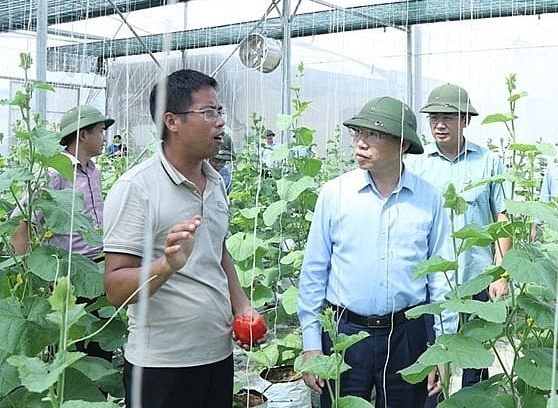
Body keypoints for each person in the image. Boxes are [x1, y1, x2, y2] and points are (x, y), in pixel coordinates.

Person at [102, 69, 258, 407]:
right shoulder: (137, 189)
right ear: (172, 121)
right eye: (209, 112)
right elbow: (115, 289)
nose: (220, 122)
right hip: (162, 366)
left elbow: (218, 251)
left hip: (217, 355)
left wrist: (241, 304)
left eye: (220, 111)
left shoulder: (215, 182)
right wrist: (166, 264)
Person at [297, 96, 457, 408]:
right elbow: (314, 271)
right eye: (358, 133)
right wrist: (312, 343)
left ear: (403, 145)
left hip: (408, 336)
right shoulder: (336, 194)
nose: (360, 143)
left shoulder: (428, 198)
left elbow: (441, 278)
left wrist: (442, 348)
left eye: (374, 135)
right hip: (345, 335)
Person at [407, 83, 511, 390]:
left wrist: (501, 274)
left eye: (449, 117)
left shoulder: (488, 162)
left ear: (466, 120)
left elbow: (502, 220)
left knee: (474, 367)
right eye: (434, 117)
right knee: (432, 366)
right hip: (431, 281)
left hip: (476, 279)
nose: (439, 124)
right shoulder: (416, 164)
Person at [12, 104, 115, 362]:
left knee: (99, 345)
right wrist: (32, 273)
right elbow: (20, 221)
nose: (105, 138)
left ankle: (97, 401)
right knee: (73, 348)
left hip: (97, 265)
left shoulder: (93, 171)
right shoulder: (55, 172)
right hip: (69, 272)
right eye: (101, 131)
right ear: (82, 135)